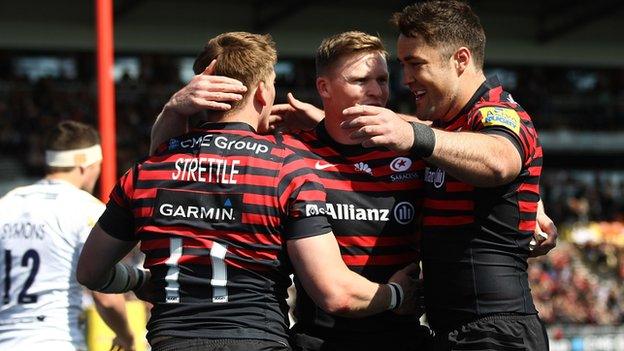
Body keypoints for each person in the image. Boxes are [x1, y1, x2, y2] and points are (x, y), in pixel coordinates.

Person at [148, 30, 558, 351]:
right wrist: (174, 109)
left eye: (382, 79)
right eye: (361, 80)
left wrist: (531, 200)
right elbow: (180, 167)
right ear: (324, 88)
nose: (377, 91)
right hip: (320, 339)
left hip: (406, 337)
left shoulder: (412, 148)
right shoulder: (289, 154)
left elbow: (486, 150)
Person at [76, 31, 418, 351]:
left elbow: (90, 272)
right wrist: (397, 295)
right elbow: (334, 292)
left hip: (171, 339)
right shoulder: (287, 168)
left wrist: (136, 280)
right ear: (262, 93)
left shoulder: (146, 173)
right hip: (257, 337)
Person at [340, 1, 551, 349]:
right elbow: (423, 129)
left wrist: (413, 137)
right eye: (403, 64)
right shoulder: (447, 125)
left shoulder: (499, 111)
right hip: (453, 332)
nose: (405, 79)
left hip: (496, 333)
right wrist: (325, 119)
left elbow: (499, 160)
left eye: (416, 64)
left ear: (461, 60)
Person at [0, 121, 135, 351]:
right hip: (56, 339)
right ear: (85, 166)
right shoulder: (85, 209)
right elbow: (105, 296)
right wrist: (126, 337)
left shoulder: (7, 204)